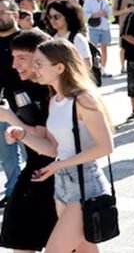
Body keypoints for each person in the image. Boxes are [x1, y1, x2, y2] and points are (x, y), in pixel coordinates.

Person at [7, 39, 114, 253]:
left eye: (39, 63)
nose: (34, 69)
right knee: (85, 250)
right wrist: (22, 135)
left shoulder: (83, 99)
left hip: (86, 183)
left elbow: (105, 146)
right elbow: (53, 149)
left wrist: (59, 165)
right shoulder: (55, 101)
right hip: (63, 185)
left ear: (59, 67)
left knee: (55, 250)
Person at [0, 29, 57, 252]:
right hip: (36, 168)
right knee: (19, 236)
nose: (15, 65)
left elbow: (43, 139)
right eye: (13, 58)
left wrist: (11, 120)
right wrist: (15, 132)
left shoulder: (52, 89)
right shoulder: (16, 84)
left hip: (58, 172)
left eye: (21, 58)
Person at [0, 0, 25, 208]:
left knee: (33, 152)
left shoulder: (27, 40)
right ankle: (13, 192)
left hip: (27, 107)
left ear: (16, 15)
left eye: (3, 12)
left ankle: (36, 190)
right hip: (2, 108)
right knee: (7, 155)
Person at [46, 0, 92, 71]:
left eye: (57, 17)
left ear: (67, 17)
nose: (53, 20)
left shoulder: (77, 38)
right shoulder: (51, 38)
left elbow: (87, 64)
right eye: (50, 17)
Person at [82, 0, 111, 76]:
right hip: (94, 26)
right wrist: (96, 14)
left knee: (104, 49)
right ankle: (94, 69)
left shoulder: (105, 0)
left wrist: (105, 13)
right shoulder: (89, 0)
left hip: (105, 26)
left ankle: (103, 69)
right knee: (94, 49)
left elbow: (110, 14)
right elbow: (85, 13)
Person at [111, 0, 134, 76]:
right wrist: (126, 11)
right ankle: (123, 66)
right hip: (124, 25)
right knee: (123, 47)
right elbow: (114, 12)